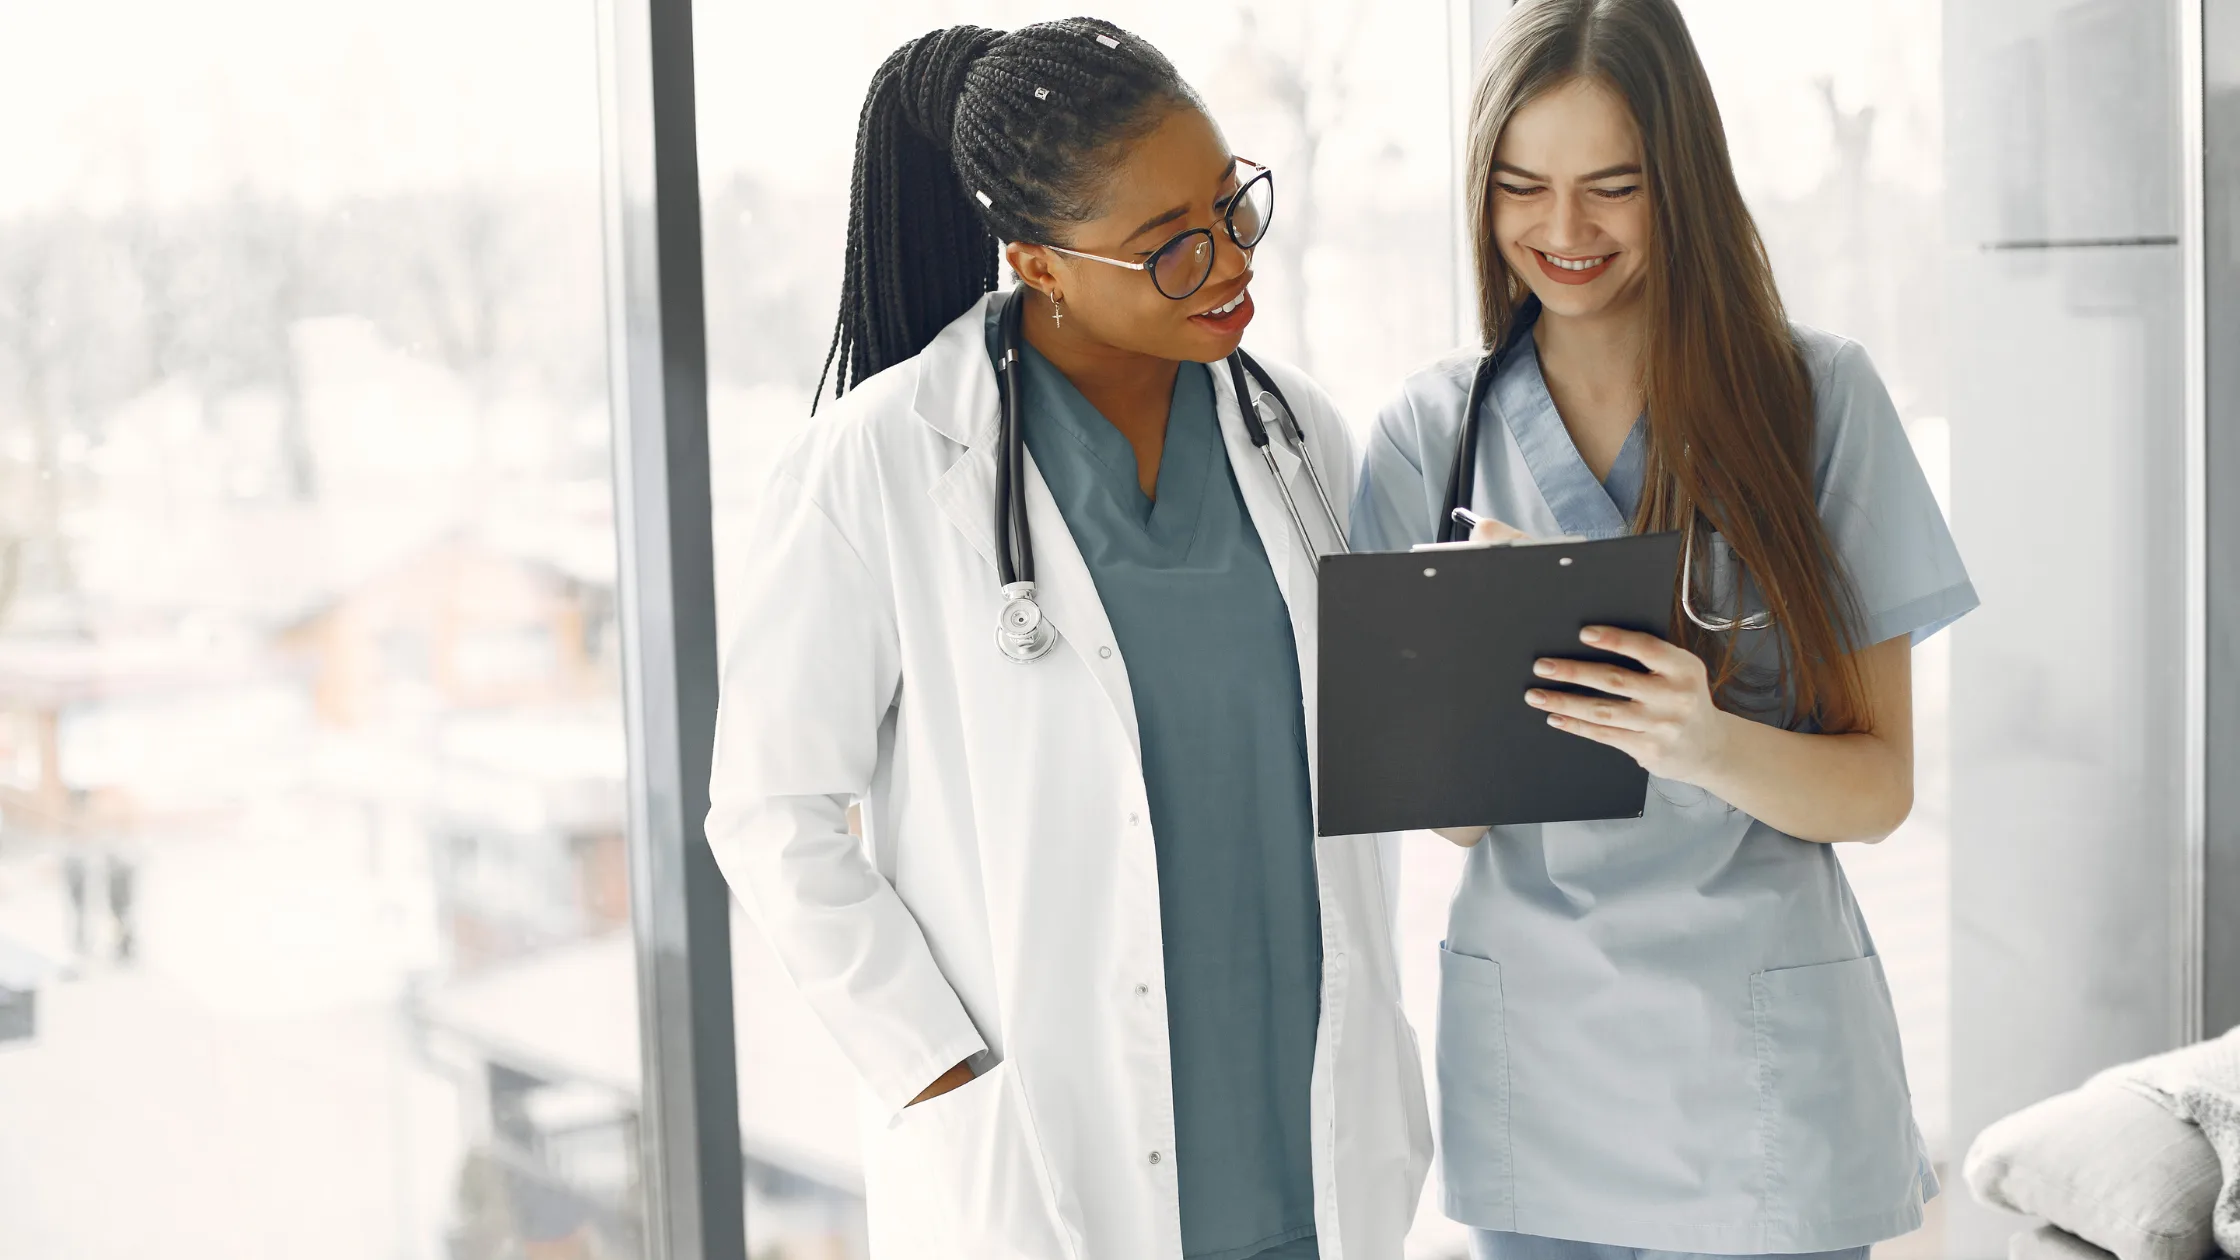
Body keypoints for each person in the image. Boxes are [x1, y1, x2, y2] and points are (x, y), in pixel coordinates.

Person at [706, 21, 1429, 1260]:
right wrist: (937, 1073)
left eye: (1232, 204)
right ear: (1037, 264)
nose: (1228, 260)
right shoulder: (881, 461)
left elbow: (1356, 749)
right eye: (1169, 247)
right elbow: (768, 816)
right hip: (1051, 1164)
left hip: (1309, 1139)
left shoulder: (1295, 433)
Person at [1349, 1, 1977, 1257]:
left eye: (1611, 187)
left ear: (1679, 180)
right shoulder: (1431, 433)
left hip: (1759, 1081)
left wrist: (1697, 737)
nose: (1561, 232)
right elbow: (1451, 817)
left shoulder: (1814, 402)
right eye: (1521, 187)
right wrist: (1483, 666)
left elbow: (1876, 787)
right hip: (1543, 1077)